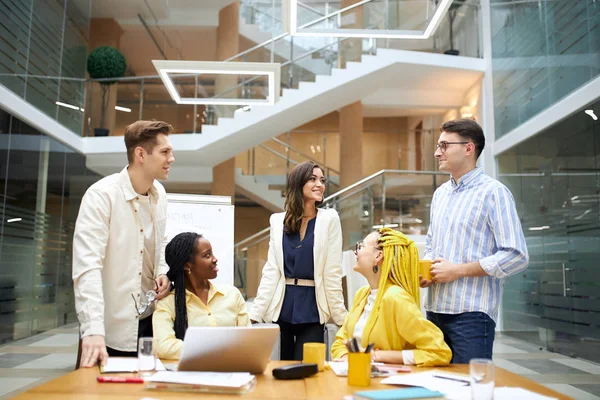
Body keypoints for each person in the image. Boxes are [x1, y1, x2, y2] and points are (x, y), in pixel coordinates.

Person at [422, 118, 529, 363]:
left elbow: (516, 256)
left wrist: (458, 270)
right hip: (434, 311)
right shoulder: (440, 194)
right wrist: (426, 270)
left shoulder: (494, 193)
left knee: (470, 390)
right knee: (437, 386)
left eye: (444, 145)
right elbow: (431, 245)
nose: (437, 152)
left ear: (469, 148)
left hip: (472, 315)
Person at [72, 120, 175, 367]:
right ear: (140, 153)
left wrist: (162, 271)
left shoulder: (160, 194)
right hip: (108, 329)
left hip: (150, 322)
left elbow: (161, 242)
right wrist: (92, 328)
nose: (171, 159)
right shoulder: (101, 196)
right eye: (165, 152)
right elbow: (87, 268)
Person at [249, 161, 347, 360]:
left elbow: (332, 272)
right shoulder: (277, 221)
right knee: (279, 370)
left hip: (312, 308)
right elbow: (271, 271)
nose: (319, 184)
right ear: (297, 183)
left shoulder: (329, 219)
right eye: (313, 179)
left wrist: (342, 317)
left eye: (322, 180)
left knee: (308, 370)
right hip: (281, 308)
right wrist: (255, 313)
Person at [331, 228, 451, 367]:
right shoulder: (363, 294)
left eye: (361, 246)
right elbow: (340, 342)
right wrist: (346, 357)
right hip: (355, 376)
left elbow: (439, 352)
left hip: (384, 384)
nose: (355, 252)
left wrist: (376, 356)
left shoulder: (395, 298)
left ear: (378, 256)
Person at [153, 232, 250, 359]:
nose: (215, 259)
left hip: (233, 371)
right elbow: (163, 346)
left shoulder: (232, 295)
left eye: (212, 253)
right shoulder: (168, 303)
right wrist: (215, 350)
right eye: (207, 255)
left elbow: (248, 340)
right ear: (187, 265)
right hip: (190, 376)